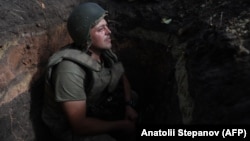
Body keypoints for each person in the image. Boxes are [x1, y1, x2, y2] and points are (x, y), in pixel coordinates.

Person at [41, 2, 138, 141]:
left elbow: (122, 77)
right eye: (101, 29)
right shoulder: (69, 70)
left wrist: (129, 105)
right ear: (86, 37)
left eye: (107, 26)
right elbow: (79, 126)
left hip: (96, 106)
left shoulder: (104, 52)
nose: (109, 32)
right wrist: (122, 125)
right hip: (71, 128)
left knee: (134, 97)